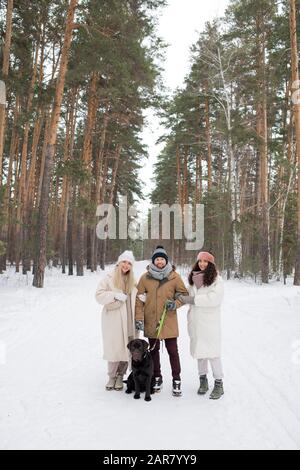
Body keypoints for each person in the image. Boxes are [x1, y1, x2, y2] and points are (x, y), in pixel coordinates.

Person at [135, 246, 188, 397]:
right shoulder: (145, 278)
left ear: (166, 261)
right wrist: (139, 319)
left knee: (173, 351)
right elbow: (139, 301)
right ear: (153, 261)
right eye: (157, 259)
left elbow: (184, 294)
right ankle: (157, 377)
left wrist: (175, 304)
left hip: (168, 321)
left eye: (162, 259)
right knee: (153, 352)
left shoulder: (174, 276)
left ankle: (176, 379)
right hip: (151, 321)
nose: (159, 261)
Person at [179, 251, 225, 400]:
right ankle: (203, 381)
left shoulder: (217, 280)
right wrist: (178, 297)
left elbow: (214, 299)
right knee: (200, 353)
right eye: (200, 261)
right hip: (195, 322)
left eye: (206, 261)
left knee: (212, 354)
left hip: (209, 323)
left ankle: (219, 383)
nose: (202, 264)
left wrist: (193, 300)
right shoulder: (193, 279)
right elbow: (184, 294)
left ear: (211, 264)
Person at [95, 250, 137, 391]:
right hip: (113, 319)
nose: (126, 265)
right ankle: (111, 376)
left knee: (127, 347)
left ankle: (120, 375)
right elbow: (99, 295)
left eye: (129, 263)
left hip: (129, 320)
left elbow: (139, 295)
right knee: (114, 347)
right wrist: (115, 295)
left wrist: (142, 298)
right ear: (119, 263)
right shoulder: (109, 278)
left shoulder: (132, 280)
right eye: (124, 262)